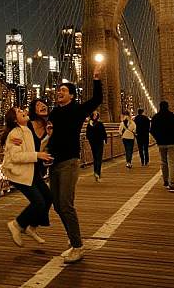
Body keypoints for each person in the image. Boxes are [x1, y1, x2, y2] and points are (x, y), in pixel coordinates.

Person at [46, 62, 103, 264]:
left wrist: (96, 77)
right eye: (58, 90)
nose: (59, 92)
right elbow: (45, 131)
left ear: (71, 95)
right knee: (58, 206)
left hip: (69, 161)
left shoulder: (78, 110)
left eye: (63, 90)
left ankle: (78, 247)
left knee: (66, 204)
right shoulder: (53, 113)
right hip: (54, 162)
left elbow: (97, 99)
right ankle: (73, 241)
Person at [0, 107, 54, 247]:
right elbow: (16, 156)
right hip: (19, 174)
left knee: (48, 197)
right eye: (18, 111)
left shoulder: (26, 129)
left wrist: (45, 142)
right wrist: (38, 155)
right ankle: (17, 224)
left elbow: (33, 147)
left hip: (30, 171)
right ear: (14, 119)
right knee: (38, 202)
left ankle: (31, 227)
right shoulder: (15, 134)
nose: (22, 111)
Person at [150, 101, 174, 192]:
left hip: (161, 143)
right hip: (172, 143)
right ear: (168, 107)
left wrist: (158, 139)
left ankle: (165, 181)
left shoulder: (155, 117)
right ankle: (172, 183)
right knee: (171, 162)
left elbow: (152, 130)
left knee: (164, 162)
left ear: (159, 107)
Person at [28, 99, 51, 180]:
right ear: (33, 110)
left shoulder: (49, 127)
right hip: (28, 168)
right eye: (38, 105)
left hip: (40, 169)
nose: (43, 106)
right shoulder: (28, 125)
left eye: (44, 104)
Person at [86, 110, 107, 181]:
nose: (95, 116)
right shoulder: (98, 124)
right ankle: (97, 172)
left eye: (96, 115)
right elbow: (103, 133)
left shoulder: (90, 124)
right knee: (97, 157)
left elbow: (88, 134)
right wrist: (104, 139)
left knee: (97, 157)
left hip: (96, 142)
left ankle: (97, 172)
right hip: (97, 142)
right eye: (94, 115)